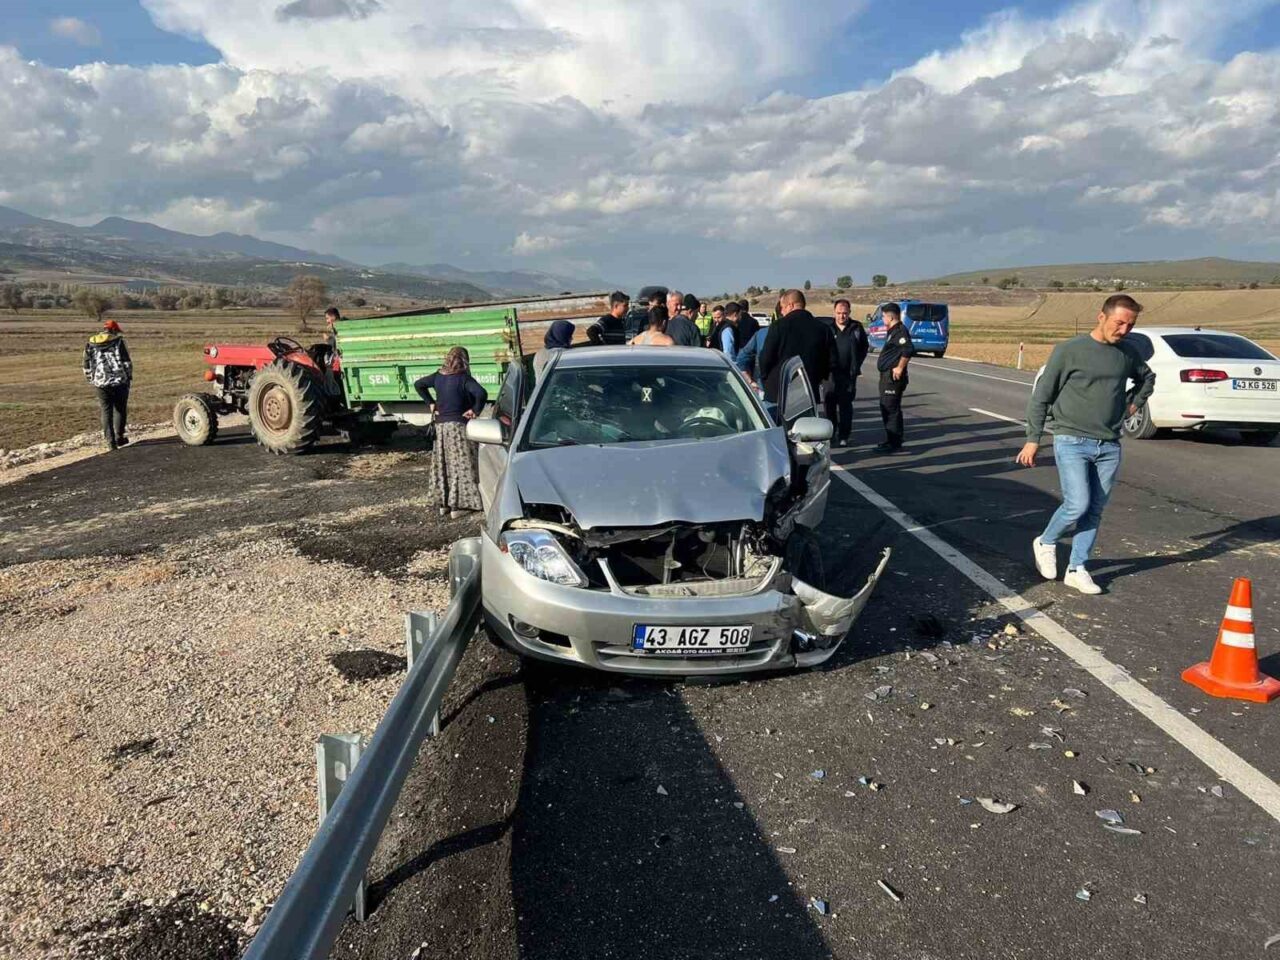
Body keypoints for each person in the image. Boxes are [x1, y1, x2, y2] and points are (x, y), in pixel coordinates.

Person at [1017, 294, 1156, 595]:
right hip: (1071, 439)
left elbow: (1147, 379)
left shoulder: (1128, 353)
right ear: (1101, 317)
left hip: (1108, 444)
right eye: (1119, 323)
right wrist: (1032, 440)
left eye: (1130, 325)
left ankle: (1077, 568)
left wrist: (1132, 405)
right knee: (1077, 503)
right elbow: (1042, 397)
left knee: (1094, 509)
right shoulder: (1069, 351)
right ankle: (1046, 541)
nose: (1123, 330)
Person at [414, 347, 488, 519]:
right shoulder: (464, 378)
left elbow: (419, 384)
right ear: (465, 361)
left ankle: (444, 504)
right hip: (458, 427)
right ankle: (459, 506)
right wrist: (475, 410)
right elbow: (481, 393)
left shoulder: (438, 376)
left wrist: (430, 403)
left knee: (443, 464)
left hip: (441, 428)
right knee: (461, 465)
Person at [758, 289, 833, 407]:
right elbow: (830, 361)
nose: (781, 312)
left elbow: (766, 357)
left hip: (779, 391)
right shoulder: (823, 329)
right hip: (808, 390)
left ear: (791, 305)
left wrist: (765, 378)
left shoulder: (778, 326)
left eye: (782, 307)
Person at [83, 318, 133, 450]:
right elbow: (126, 362)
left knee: (106, 411)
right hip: (119, 381)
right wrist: (128, 377)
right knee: (120, 409)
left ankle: (110, 442)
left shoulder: (90, 343)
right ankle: (119, 437)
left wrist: (91, 379)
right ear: (114, 330)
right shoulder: (119, 342)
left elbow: (86, 365)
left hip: (100, 383)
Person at [825, 298, 869, 446]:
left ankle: (844, 435)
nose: (841, 316)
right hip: (830, 375)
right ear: (834, 312)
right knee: (829, 406)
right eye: (838, 313)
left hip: (848, 375)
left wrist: (856, 366)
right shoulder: (828, 329)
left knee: (845, 406)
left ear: (849, 312)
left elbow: (863, 347)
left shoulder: (856, 328)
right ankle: (831, 434)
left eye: (844, 313)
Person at [874, 302, 913, 453]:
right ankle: (891, 439)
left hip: (893, 378)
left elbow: (908, 349)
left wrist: (900, 367)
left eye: (883, 316)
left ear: (890, 317)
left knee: (891, 409)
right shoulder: (893, 331)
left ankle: (895, 442)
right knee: (886, 408)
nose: (883, 319)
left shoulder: (900, 331)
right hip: (886, 376)